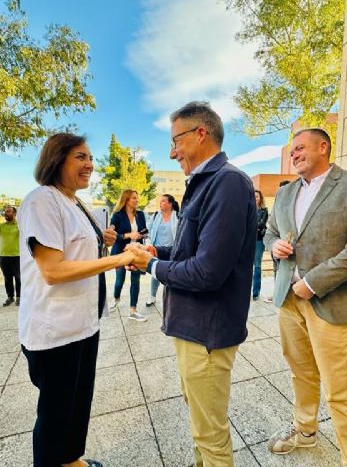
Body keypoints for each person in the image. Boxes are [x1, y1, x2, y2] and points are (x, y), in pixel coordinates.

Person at [127, 101, 256, 467]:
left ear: (202, 133)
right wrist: (159, 250)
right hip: (192, 327)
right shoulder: (203, 183)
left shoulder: (228, 182)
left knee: (210, 435)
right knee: (200, 421)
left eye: (176, 140)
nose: (172, 152)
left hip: (208, 333)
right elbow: (192, 248)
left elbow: (207, 271)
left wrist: (151, 264)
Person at [264, 128, 347, 467]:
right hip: (288, 301)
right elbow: (270, 232)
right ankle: (305, 431)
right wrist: (273, 246)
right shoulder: (286, 193)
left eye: (301, 148)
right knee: (301, 373)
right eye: (292, 151)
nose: (295, 155)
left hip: (332, 303)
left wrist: (314, 282)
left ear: (324, 147)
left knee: (340, 391)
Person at [17, 133, 132, 467]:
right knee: (55, 414)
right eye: (80, 156)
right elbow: (52, 270)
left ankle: (71, 459)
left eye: (90, 157)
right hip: (55, 331)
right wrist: (119, 259)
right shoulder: (42, 200)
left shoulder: (76, 202)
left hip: (84, 325)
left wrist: (105, 241)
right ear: (57, 159)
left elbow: (79, 251)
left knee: (78, 403)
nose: (90, 164)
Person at [109, 189, 148, 322]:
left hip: (136, 252)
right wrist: (128, 235)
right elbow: (112, 236)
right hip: (120, 252)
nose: (137, 200)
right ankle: (116, 298)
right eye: (134, 198)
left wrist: (141, 234)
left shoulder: (141, 215)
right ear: (126, 200)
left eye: (137, 198)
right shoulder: (117, 215)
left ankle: (133, 310)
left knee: (135, 280)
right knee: (120, 280)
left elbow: (144, 230)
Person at [145, 194, 179, 308]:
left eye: (163, 201)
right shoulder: (156, 215)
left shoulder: (178, 216)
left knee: (171, 275)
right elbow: (148, 229)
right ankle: (152, 296)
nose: (161, 203)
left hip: (172, 251)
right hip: (157, 250)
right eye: (160, 202)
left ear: (170, 203)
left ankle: (171, 299)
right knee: (155, 274)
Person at [263, 180, 290, 304]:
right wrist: (273, 243)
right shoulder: (277, 207)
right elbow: (270, 232)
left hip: (290, 250)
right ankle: (278, 292)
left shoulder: (293, 205)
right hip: (278, 250)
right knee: (276, 271)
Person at [252, 189, 268, 300]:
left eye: (256, 196)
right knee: (245, 267)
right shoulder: (247, 209)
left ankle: (256, 293)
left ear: (260, 198)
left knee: (257, 266)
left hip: (258, 241)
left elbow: (261, 224)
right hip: (247, 241)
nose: (254, 198)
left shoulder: (264, 210)